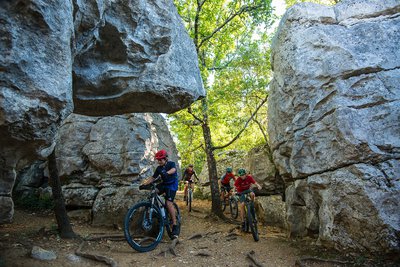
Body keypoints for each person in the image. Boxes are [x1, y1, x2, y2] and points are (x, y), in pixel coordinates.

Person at [142, 149, 179, 238]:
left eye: (160, 160)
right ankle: (157, 210)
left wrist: (167, 172)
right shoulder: (159, 168)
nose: (159, 161)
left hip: (172, 185)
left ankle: (174, 224)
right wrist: (144, 184)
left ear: (165, 158)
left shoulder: (171, 164)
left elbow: (173, 170)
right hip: (164, 184)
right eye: (158, 160)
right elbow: (153, 177)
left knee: (168, 203)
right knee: (153, 192)